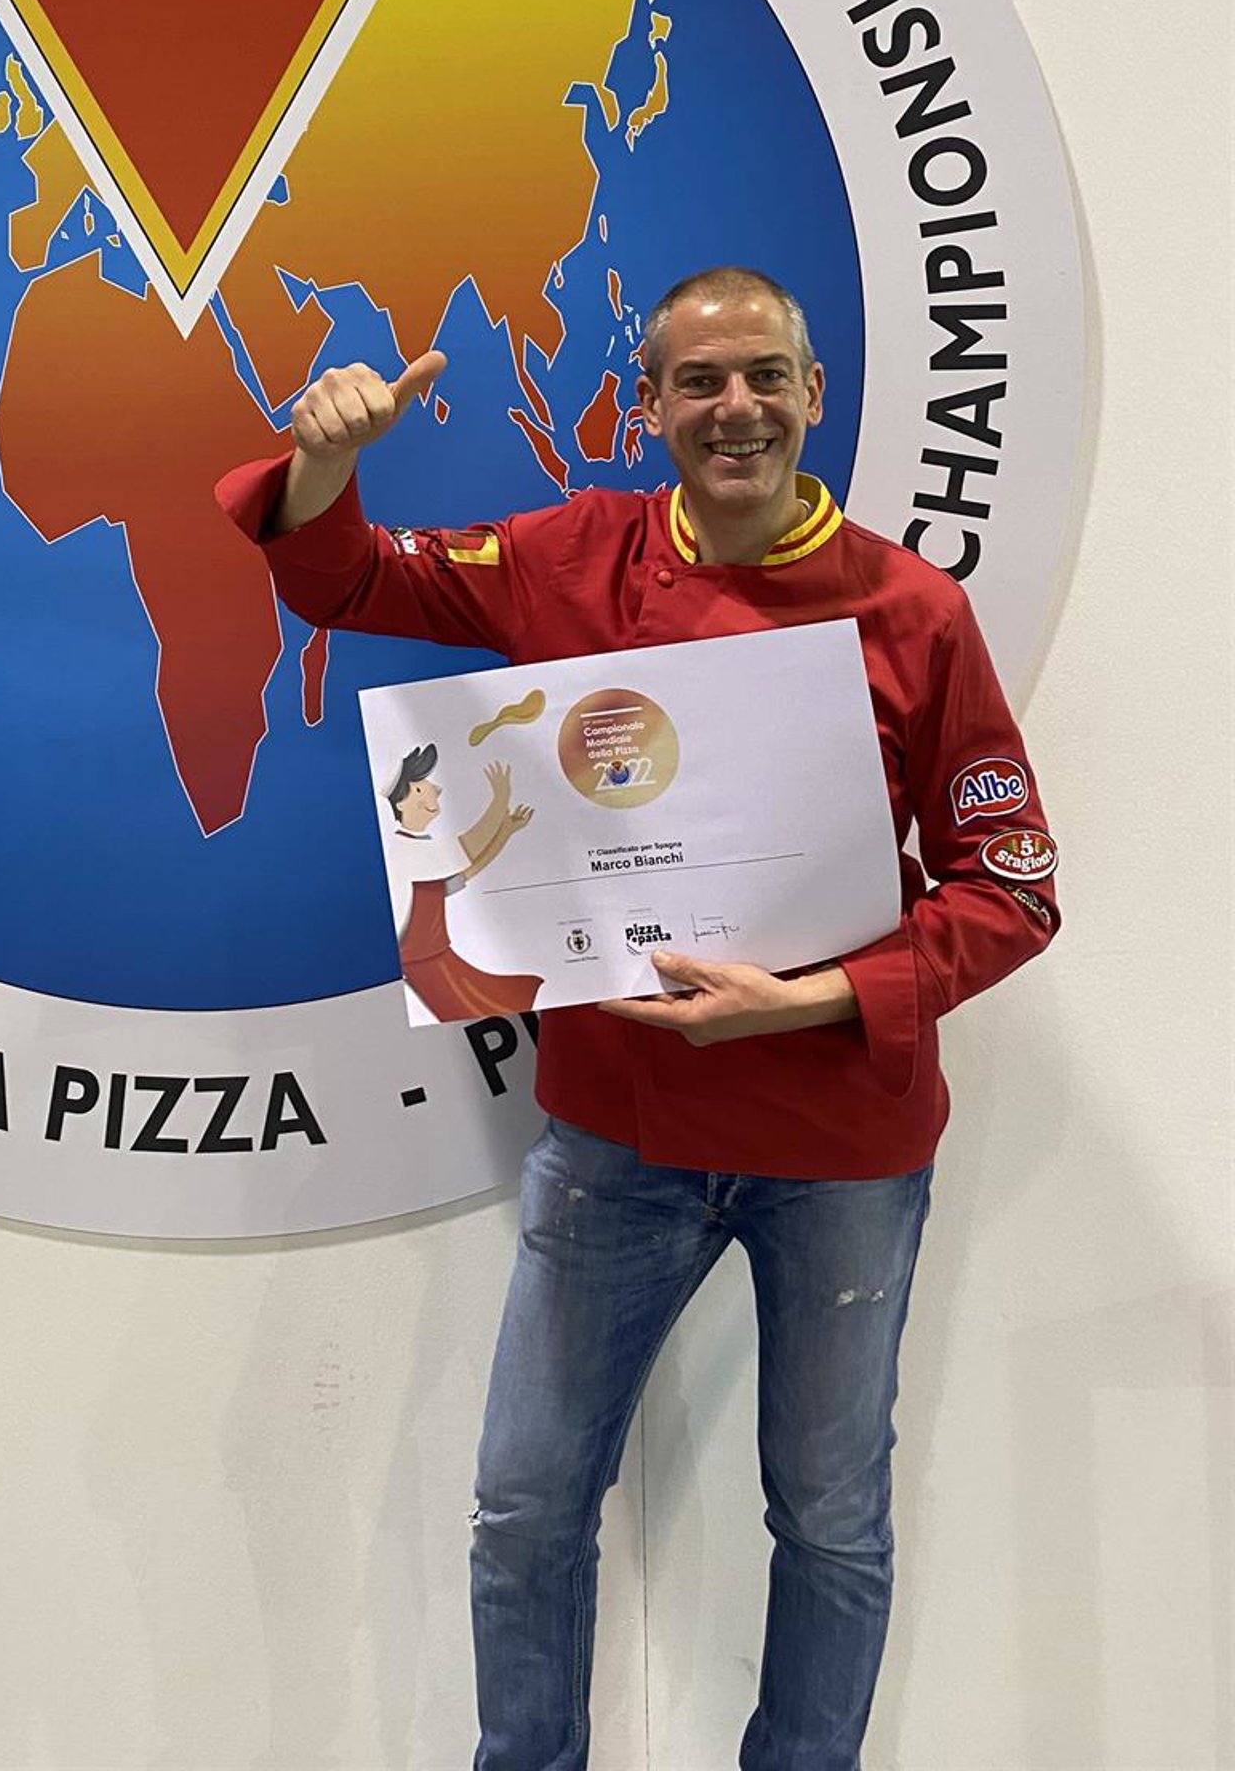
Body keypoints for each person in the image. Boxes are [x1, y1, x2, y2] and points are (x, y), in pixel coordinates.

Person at [215, 267, 1060, 1771]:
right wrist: (325, 464)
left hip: (840, 1144)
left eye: (765, 376)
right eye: (700, 381)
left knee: (831, 1515)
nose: (736, 408)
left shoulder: (914, 611)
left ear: (813, 394)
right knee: (527, 1505)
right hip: (617, 1136)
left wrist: (818, 996)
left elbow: (1011, 887)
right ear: (650, 405)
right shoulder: (569, 556)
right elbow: (348, 583)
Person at [383, 743, 543, 1022]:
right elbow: (469, 846)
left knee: (508, 998)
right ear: (401, 803)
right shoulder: (406, 851)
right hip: (425, 967)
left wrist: (505, 831)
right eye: (420, 787)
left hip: (440, 961)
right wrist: (500, 800)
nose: (436, 789)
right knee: (494, 1006)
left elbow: (466, 872)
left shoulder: (422, 852)